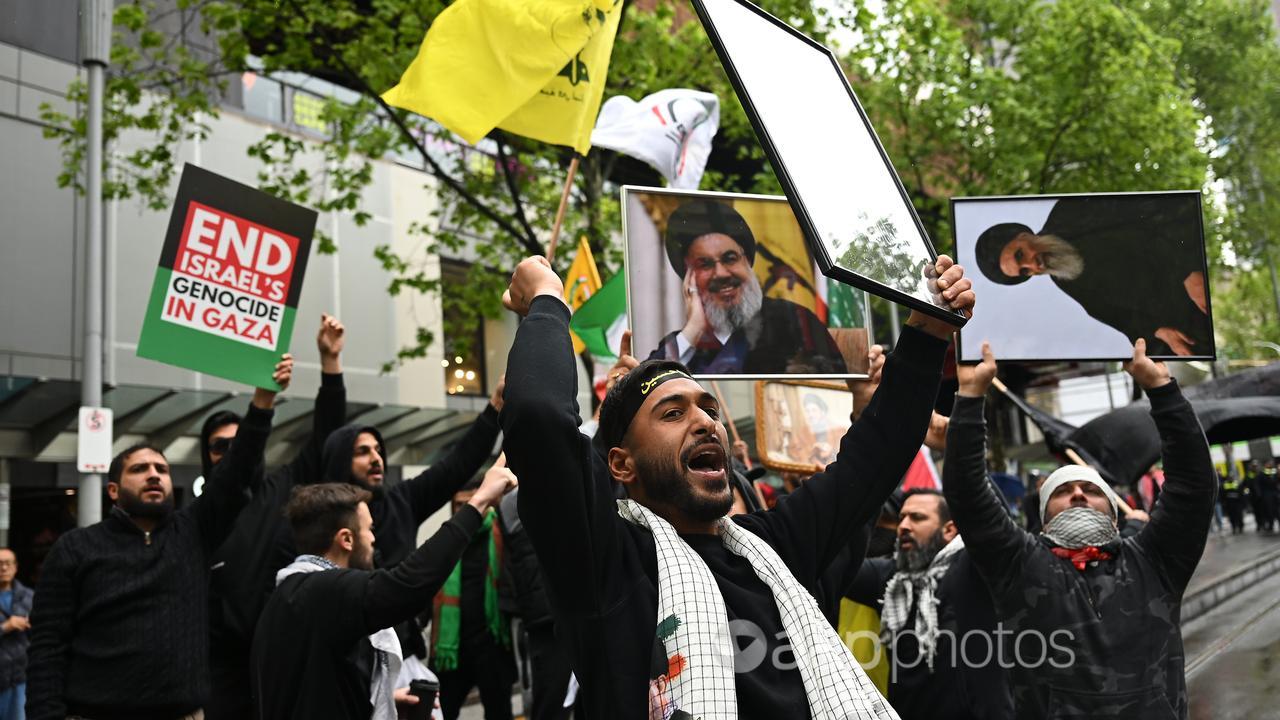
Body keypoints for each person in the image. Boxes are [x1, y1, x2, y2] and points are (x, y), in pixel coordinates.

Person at [499, 252, 974, 718]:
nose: (706, 422)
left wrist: (930, 329)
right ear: (621, 465)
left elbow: (878, 453)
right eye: (672, 413)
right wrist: (547, 299)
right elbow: (539, 417)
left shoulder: (777, 546)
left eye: (708, 408)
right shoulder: (606, 562)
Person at [943, 339, 1215, 718]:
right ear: (1043, 515)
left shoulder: (1156, 562)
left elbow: (1193, 486)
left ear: (1114, 513)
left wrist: (1163, 390)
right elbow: (968, 494)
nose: (1077, 496)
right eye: (1063, 492)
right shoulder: (1018, 565)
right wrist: (971, 397)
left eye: (1090, 490)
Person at [26, 356, 292, 720]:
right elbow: (46, 647)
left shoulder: (194, 532)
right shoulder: (75, 548)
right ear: (114, 491)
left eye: (162, 470)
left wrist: (263, 401)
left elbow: (236, 473)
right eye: (140, 469)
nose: (154, 475)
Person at [250, 466, 517, 720]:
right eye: (369, 529)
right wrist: (479, 503)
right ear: (346, 539)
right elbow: (408, 586)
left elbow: (316, 693)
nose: (374, 538)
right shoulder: (327, 590)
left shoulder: (287, 595)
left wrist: (380, 703)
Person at [205, 314, 349, 720]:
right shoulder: (197, 518)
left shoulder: (281, 488)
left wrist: (331, 362)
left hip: (280, 659)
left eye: (240, 443)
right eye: (219, 447)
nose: (231, 453)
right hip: (220, 675)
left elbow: (328, 440)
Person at [318, 376, 505, 659]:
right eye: (362, 451)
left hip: (405, 656)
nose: (376, 458)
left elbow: (456, 464)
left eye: (379, 451)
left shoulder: (401, 501)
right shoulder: (319, 520)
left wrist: (495, 406)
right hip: (350, 656)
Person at [845, 490, 1011, 720]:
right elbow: (835, 565)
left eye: (917, 518)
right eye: (902, 517)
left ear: (950, 530)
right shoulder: (891, 579)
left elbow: (993, 522)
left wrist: (962, 455)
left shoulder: (974, 572)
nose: (903, 526)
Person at [973, 195, 1210, 356]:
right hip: (1186, 324)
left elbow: (1150, 213)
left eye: (1019, 255)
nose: (1031, 266)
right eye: (1024, 272)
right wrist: (1159, 330)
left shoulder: (1069, 212)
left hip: (1201, 277)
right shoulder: (1063, 278)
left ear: (1023, 235)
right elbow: (1117, 316)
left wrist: (1188, 270)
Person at [645, 200, 847, 374]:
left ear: (748, 262)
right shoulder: (682, 342)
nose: (721, 273)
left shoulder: (795, 318)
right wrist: (694, 329)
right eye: (704, 264)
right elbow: (647, 390)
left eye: (730, 259)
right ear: (690, 279)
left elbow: (838, 386)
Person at [431, 474, 518, 720]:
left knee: (499, 712)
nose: (466, 509)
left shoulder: (504, 533)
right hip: (453, 647)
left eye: (471, 502)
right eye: (459, 505)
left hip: (492, 643)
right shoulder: (447, 540)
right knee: (441, 712)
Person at [0, 549, 33, 720]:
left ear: (16, 567)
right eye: (0, 564)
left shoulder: (29, 597)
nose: (4, 568)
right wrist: (6, 626)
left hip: (20, 677)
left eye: (8, 563)